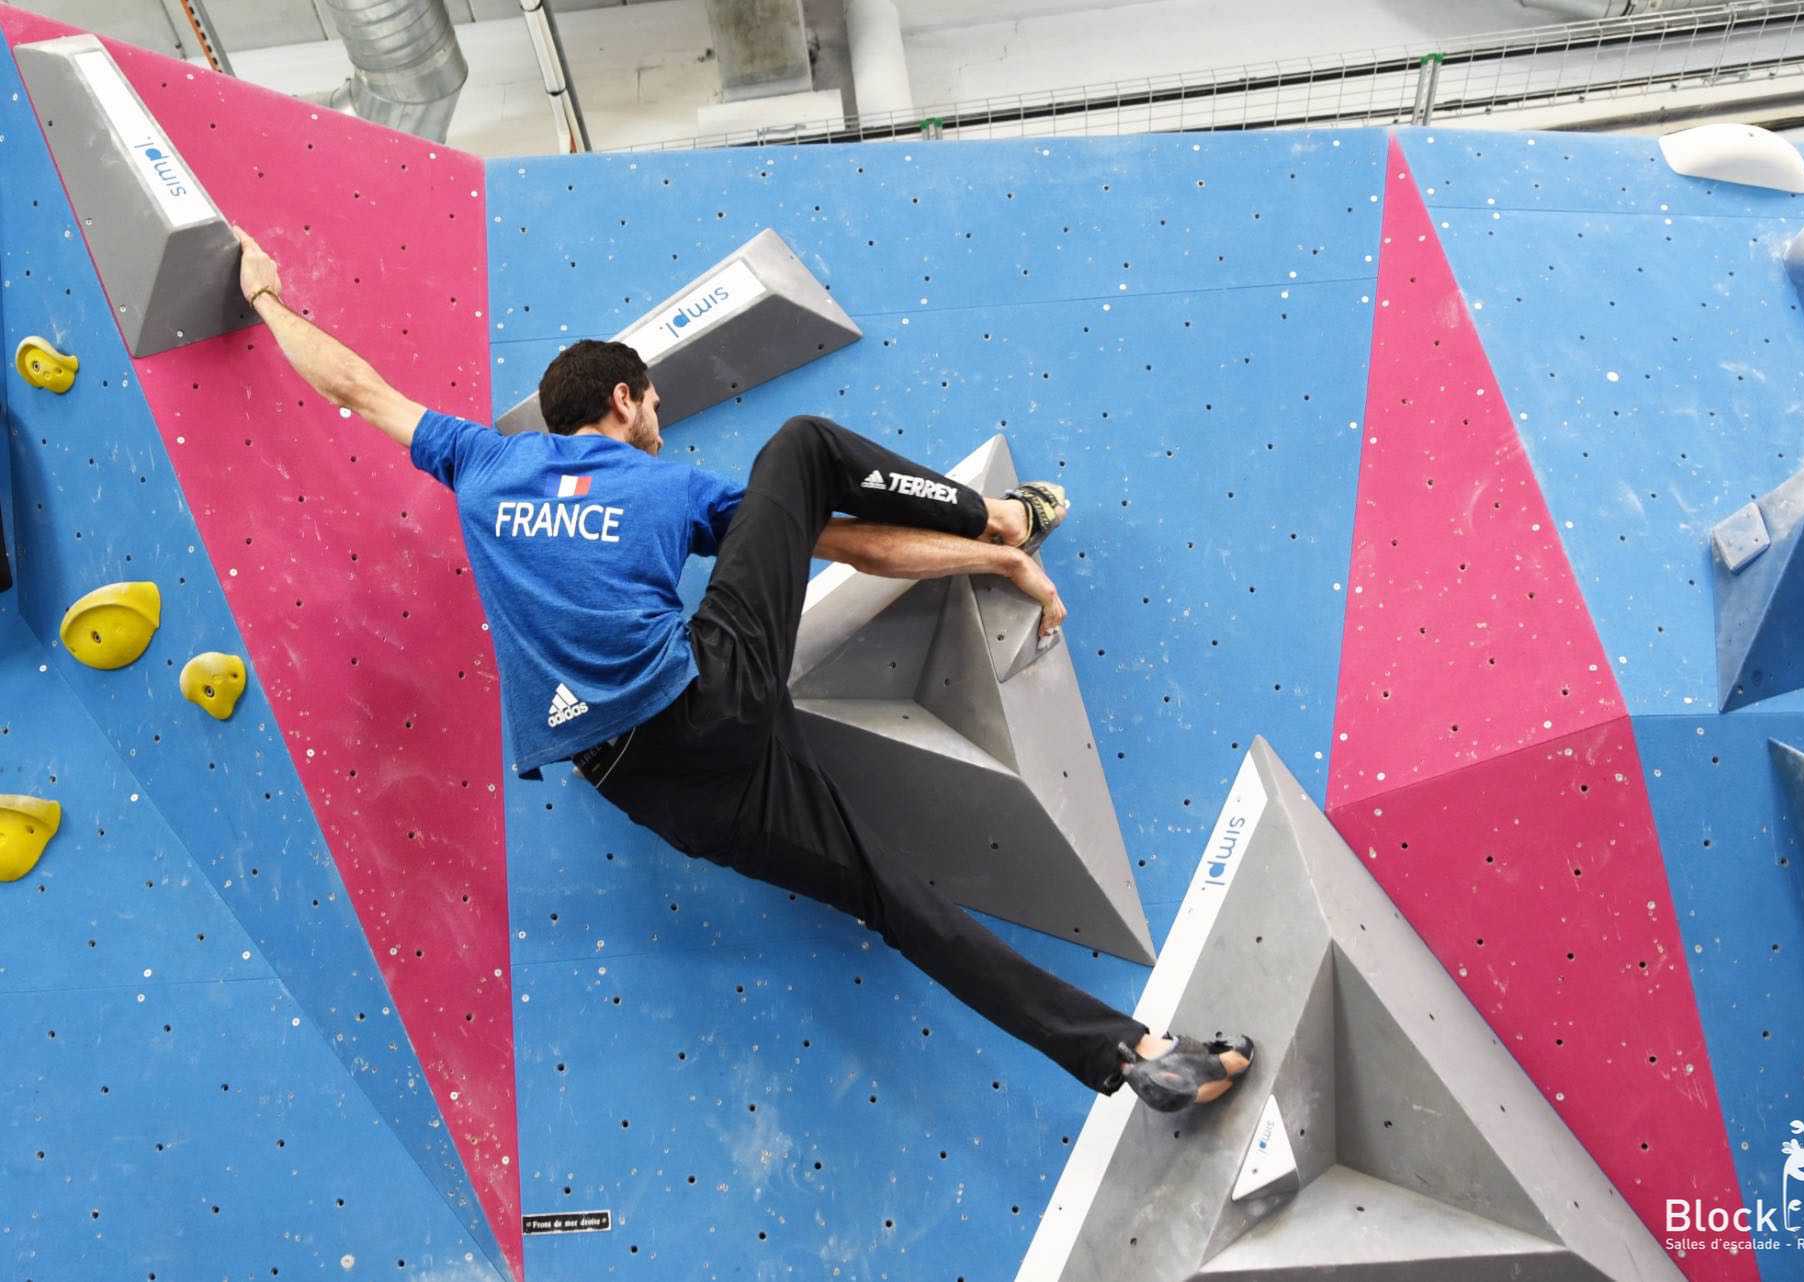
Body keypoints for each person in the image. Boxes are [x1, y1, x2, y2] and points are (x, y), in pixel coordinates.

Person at [235, 227, 1251, 1112]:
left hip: (645, 788)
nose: (660, 414)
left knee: (893, 901)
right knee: (804, 445)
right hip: (704, 699)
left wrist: (264, 296)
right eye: (655, 399)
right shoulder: (667, 484)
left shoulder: (476, 461)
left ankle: (1134, 1057)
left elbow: (352, 384)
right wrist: (989, 543)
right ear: (623, 398)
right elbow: (849, 541)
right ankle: (999, 508)